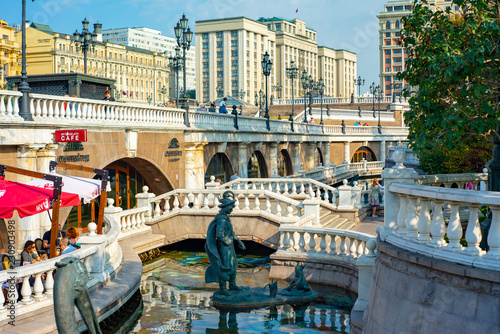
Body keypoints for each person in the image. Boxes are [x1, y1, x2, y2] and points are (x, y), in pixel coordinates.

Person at [205, 191, 246, 295]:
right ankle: (223, 288)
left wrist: (238, 241)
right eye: (231, 207)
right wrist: (227, 241)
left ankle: (232, 285)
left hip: (229, 247)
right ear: (226, 207)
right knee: (225, 266)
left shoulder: (225, 218)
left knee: (233, 265)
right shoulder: (221, 220)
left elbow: (231, 232)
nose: (232, 209)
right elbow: (219, 234)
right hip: (224, 248)